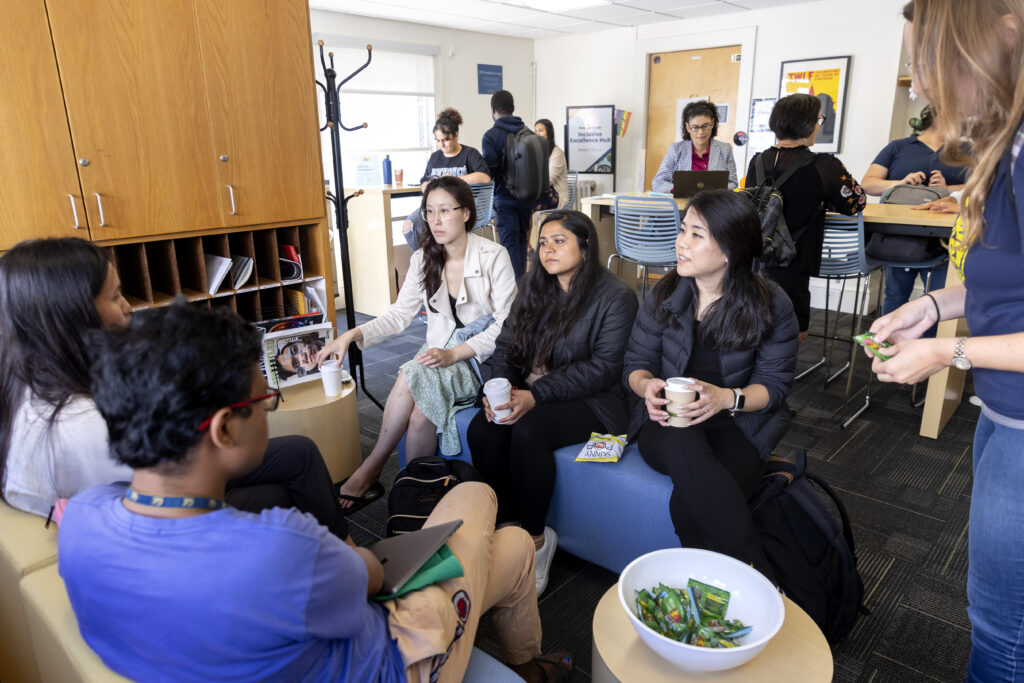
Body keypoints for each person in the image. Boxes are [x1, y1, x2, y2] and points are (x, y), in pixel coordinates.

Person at [58, 303, 572, 683]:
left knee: (514, 551)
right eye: (263, 396)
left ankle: (526, 669)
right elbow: (370, 577)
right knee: (479, 495)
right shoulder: (277, 547)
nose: (269, 407)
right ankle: (522, 661)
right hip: (400, 659)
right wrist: (340, 552)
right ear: (223, 429)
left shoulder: (81, 520)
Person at [868, 3, 1024, 680]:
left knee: (1001, 637)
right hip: (1003, 409)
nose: (919, 87)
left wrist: (948, 352)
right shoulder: (1006, 146)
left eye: (927, 63)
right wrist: (930, 306)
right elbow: (1001, 287)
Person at [0, 238, 348, 540]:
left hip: (141, 488)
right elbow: (173, 477)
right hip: (151, 511)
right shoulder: (78, 424)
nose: (127, 308)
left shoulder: (32, 375)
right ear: (71, 316)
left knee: (298, 454)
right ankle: (339, 556)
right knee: (283, 486)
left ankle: (340, 546)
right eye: (116, 296)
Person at [622, 190, 799, 579]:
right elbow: (635, 364)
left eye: (696, 235)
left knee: (688, 506)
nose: (680, 242)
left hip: (739, 425)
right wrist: (647, 387)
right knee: (683, 436)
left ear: (730, 249)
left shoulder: (771, 302)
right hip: (665, 423)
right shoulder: (665, 292)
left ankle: (712, 597)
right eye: (683, 230)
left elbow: (774, 387)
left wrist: (726, 398)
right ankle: (760, 579)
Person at [318, 176, 517, 510]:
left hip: (476, 358)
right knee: (420, 417)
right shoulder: (424, 257)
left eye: (444, 211)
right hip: (437, 354)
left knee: (410, 373)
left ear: (466, 213)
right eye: (429, 212)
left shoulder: (493, 255)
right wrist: (351, 335)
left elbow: (508, 324)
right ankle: (415, 497)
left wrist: (455, 353)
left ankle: (371, 470)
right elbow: (399, 315)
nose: (435, 220)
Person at [466, 210, 638, 595]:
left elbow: (604, 369)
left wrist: (534, 395)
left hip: (594, 401)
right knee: (484, 429)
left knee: (529, 431)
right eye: (542, 242)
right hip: (532, 389)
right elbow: (506, 346)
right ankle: (509, 529)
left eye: (559, 241)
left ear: (586, 246)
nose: (547, 250)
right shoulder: (533, 286)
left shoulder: (616, 296)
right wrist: (500, 389)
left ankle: (536, 541)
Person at [747, 93, 866, 341]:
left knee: (755, 320)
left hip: (755, 259)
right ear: (808, 125)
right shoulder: (824, 165)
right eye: (818, 119)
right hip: (794, 261)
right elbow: (856, 203)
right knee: (793, 327)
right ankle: (780, 374)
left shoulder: (757, 161)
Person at [863, 105, 968, 316]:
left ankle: (928, 349)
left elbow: (983, 187)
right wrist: (900, 183)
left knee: (938, 300)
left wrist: (947, 188)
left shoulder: (965, 151)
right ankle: (887, 347)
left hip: (945, 241)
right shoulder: (898, 147)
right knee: (895, 295)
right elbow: (867, 184)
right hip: (900, 238)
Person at [402, 108, 491, 250]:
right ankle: (428, 261)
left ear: (456, 135)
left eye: (445, 140)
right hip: (435, 208)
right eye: (438, 141)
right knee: (409, 226)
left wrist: (455, 179)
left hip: (459, 208)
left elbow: (485, 178)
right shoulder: (435, 157)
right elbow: (424, 182)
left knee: (443, 228)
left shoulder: (469, 154)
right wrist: (426, 185)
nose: (442, 144)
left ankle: (442, 259)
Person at [482, 89, 535, 279]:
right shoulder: (528, 132)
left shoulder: (491, 136)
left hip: (505, 199)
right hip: (527, 199)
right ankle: (520, 294)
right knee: (521, 243)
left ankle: (513, 299)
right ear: (513, 108)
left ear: (493, 109)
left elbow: (491, 172)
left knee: (509, 247)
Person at [651, 100, 738, 193]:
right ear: (688, 127)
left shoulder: (725, 149)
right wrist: (681, 189)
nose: (701, 132)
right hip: (683, 205)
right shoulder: (676, 150)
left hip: (714, 204)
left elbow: (733, 184)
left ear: (712, 123)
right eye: (695, 127)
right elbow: (657, 183)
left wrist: (711, 192)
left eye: (705, 126)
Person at [533, 119, 568, 211]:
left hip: (555, 194)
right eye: (535, 131)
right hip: (538, 191)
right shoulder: (536, 152)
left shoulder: (557, 153)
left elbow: (548, 181)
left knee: (528, 203)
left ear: (549, 133)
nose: (537, 134)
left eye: (541, 130)